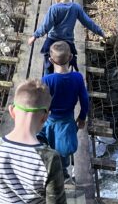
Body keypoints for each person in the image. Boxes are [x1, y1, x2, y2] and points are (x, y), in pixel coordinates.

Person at [27, 0, 105, 75]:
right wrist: (100, 32)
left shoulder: (54, 8)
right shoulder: (76, 7)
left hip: (53, 40)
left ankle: (47, 83)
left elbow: (46, 26)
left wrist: (34, 36)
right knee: (65, 67)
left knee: (48, 65)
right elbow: (88, 22)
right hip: (67, 42)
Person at [38, 41, 90, 179]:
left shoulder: (46, 80)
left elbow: (41, 103)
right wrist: (82, 117)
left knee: (44, 142)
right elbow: (85, 100)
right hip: (67, 121)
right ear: (71, 57)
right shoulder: (77, 78)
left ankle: (47, 169)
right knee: (64, 150)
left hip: (50, 120)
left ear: (50, 60)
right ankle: (64, 172)